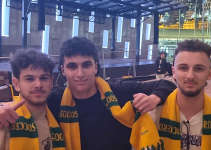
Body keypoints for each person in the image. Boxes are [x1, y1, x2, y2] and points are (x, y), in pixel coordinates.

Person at [0, 37, 176, 150]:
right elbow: (28, 104)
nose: (80, 73)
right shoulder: (55, 100)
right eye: (72, 66)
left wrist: (153, 98)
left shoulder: (118, 92)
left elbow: (167, 84)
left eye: (86, 65)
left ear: (96, 67)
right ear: (63, 70)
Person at [119, 40, 211, 150]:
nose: (190, 75)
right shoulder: (151, 115)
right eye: (183, 68)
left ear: (210, 73)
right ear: (173, 72)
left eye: (198, 69)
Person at [0, 50, 66, 150]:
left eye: (44, 78)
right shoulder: (5, 120)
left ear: (51, 82)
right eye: (29, 79)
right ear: (16, 84)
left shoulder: (59, 116)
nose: (38, 85)